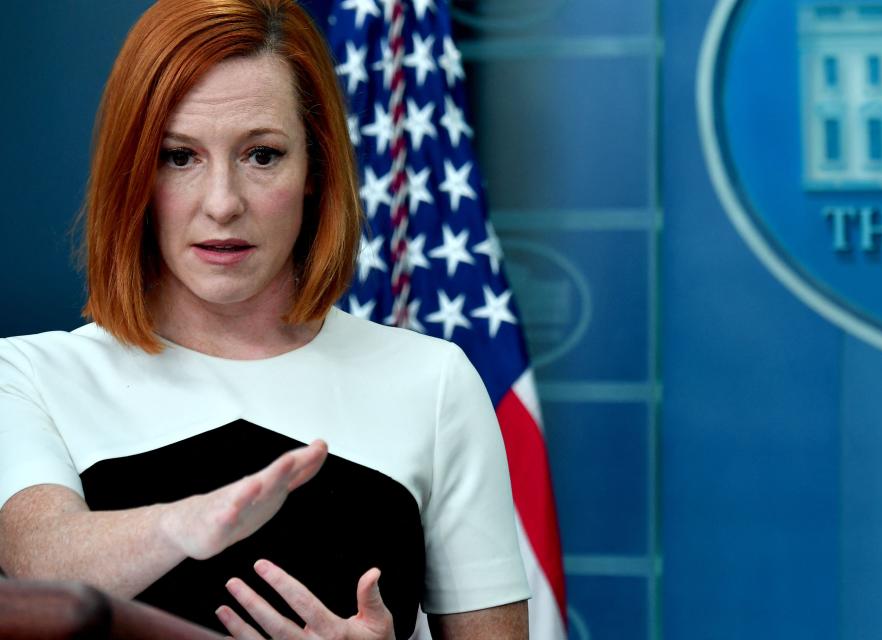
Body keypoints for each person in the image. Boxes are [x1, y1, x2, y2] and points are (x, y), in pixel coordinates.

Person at [0, 1, 530, 638]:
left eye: (261, 155)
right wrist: (184, 523)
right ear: (133, 174)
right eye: (179, 156)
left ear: (315, 168)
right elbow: (38, 564)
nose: (222, 203)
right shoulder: (27, 376)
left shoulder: (434, 381)